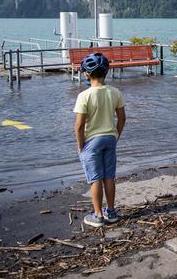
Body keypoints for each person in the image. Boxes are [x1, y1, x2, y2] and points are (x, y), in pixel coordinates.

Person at [73, 53, 126, 227]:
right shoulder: (115, 92)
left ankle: (97, 215)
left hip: (92, 142)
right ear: (106, 72)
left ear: (87, 74)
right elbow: (122, 118)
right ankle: (111, 212)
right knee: (109, 176)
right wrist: (116, 136)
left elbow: (79, 126)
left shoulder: (84, 95)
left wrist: (81, 146)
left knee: (95, 178)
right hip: (110, 138)